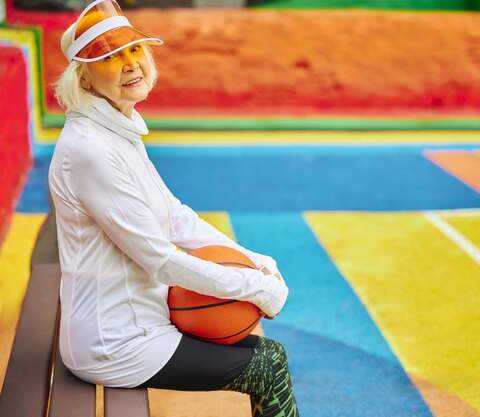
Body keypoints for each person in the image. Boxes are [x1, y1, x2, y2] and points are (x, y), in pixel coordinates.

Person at [48, 1, 299, 416]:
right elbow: (159, 258)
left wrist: (254, 262)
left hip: (138, 318)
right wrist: (254, 288)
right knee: (268, 365)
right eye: (110, 58)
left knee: (267, 356)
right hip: (115, 342)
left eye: (133, 51)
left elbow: (176, 216)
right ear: (85, 78)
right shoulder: (90, 149)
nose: (130, 65)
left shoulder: (115, 130)